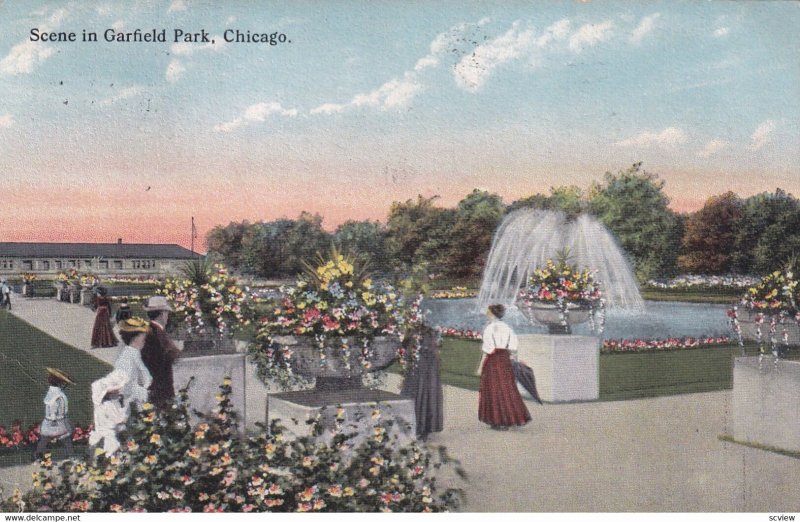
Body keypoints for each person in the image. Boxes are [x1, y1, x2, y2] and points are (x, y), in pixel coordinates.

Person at [477, 304, 531, 430]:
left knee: (493, 388)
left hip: (493, 360)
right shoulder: (507, 328)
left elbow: (488, 349)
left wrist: (481, 365)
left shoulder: (489, 328)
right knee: (507, 387)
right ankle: (510, 417)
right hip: (505, 359)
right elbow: (513, 346)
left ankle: (496, 419)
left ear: (492, 314)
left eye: (488, 312)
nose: (487, 314)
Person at [400, 325, 444, 441]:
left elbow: (405, 346)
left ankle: (419, 426)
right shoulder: (431, 333)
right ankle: (423, 426)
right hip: (426, 366)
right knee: (425, 394)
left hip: (421, 366)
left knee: (419, 393)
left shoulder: (417, 333)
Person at [140, 295, 182, 408]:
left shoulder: (152, 330)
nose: (167, 316)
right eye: (166, 313)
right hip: (160, 387)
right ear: (162, 314)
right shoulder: (156, 333)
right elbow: (162, 359)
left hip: (158, 385)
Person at [34, 368, 75, 459]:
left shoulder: (54, 392)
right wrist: (53, 419)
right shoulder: (56, 394)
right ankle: (71, 455)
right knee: (65, 437)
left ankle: (38, 456)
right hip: (56, 420)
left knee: (46, 438)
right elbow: (53, 406)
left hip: (54, 420)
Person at [114, 317, 153, 411]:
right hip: (130, 406)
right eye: (142, 337)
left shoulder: (135, 354)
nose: (145, 340)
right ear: (134, 338)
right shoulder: (126, 358)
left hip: (140, 403)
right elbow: (125, 387)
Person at [88, 370, 130, 456]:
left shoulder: (99, 404)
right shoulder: (109, 405)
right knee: (112, 450)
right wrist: (123, 409)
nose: (118, 392)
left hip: (101, 428)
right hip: (109, 431)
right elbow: (120, 419)